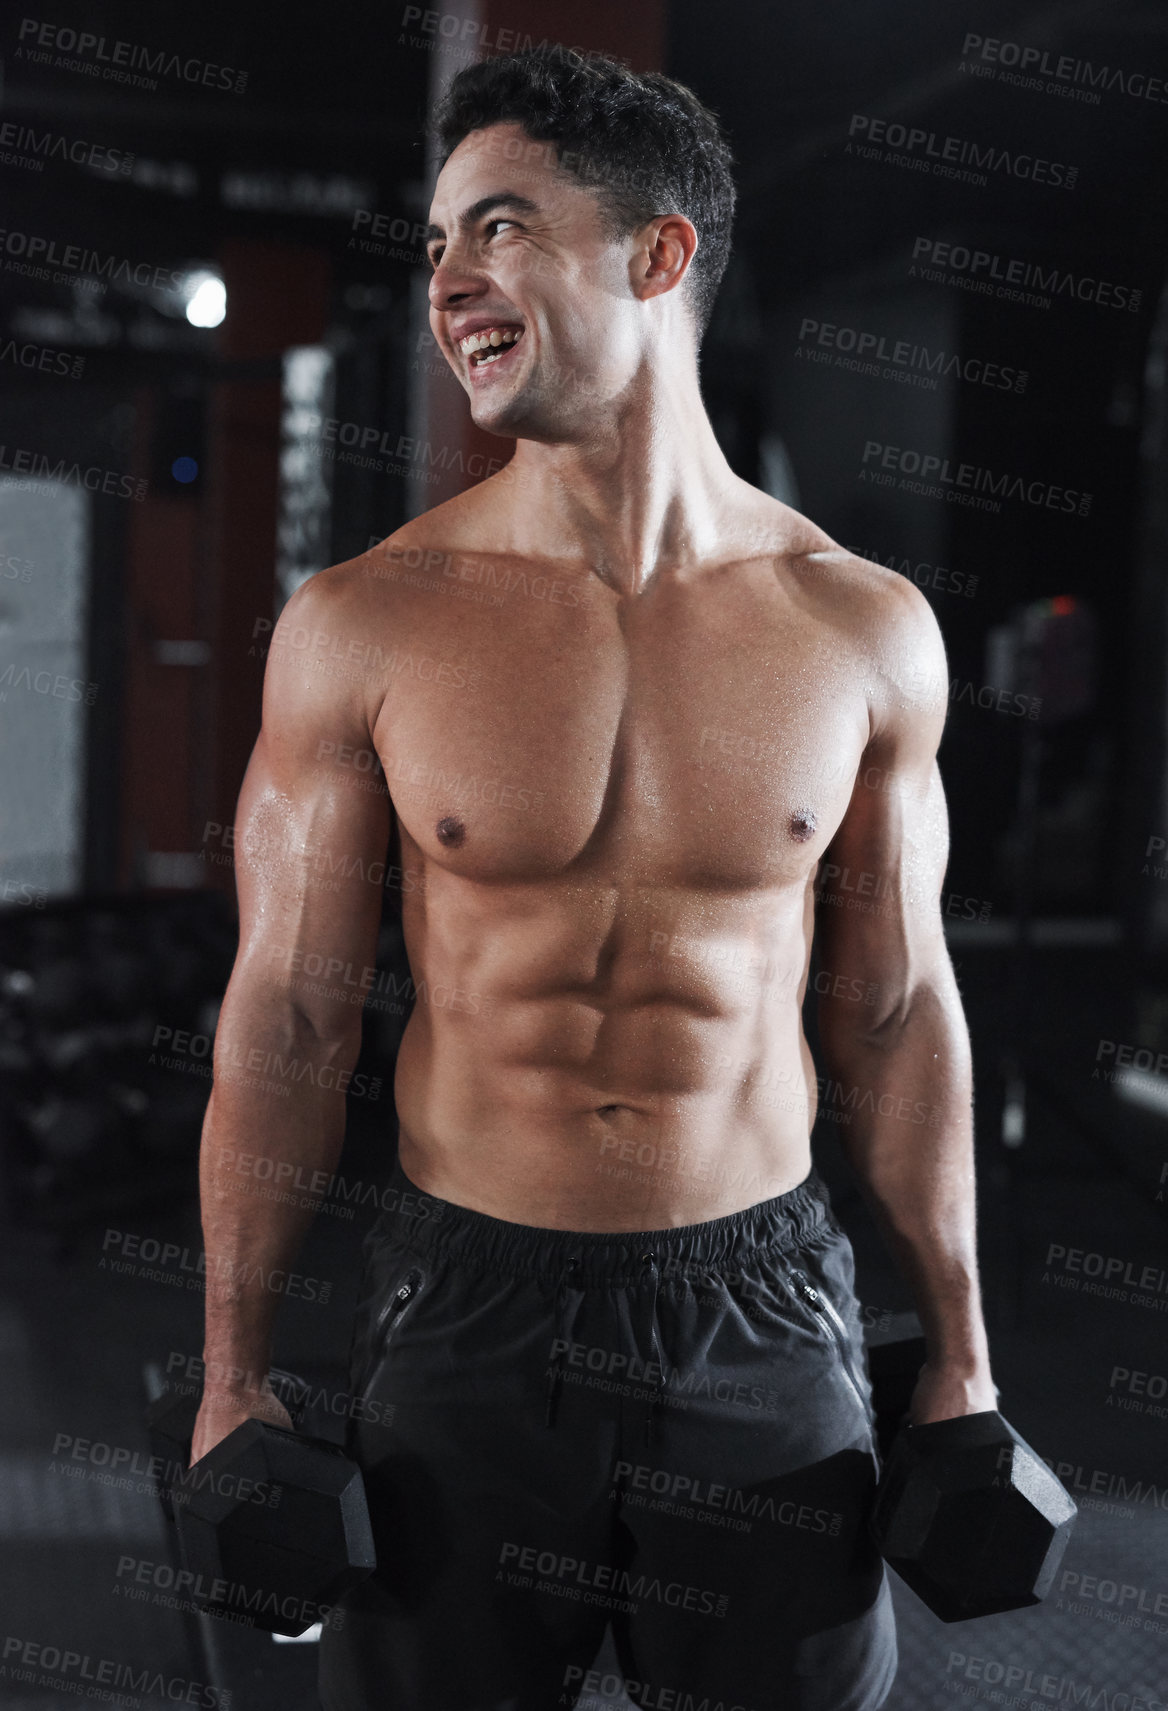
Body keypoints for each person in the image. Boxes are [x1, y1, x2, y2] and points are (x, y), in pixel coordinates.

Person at [192, 48, 997, 1711]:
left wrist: (966, 1357)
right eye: (432, 249)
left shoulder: (859, 628)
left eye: (500, 228)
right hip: (463, 1306)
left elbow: (902, 1011)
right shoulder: (368, 621)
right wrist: (232, 1372)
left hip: (761, 1311)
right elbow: (284, 1014)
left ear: (658, 255)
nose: (452, 283)